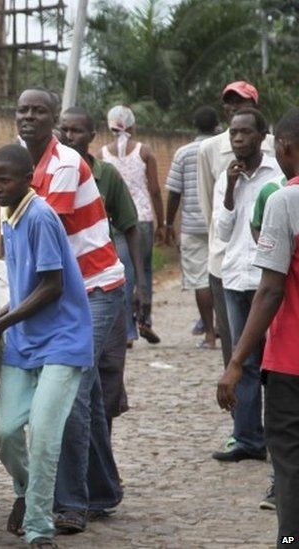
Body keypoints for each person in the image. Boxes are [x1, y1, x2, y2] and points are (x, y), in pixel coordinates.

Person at [15, 88, 126, 537]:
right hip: (66, 288)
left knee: (69, 392)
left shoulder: (60, 166)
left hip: (95, 287)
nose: (29, 117)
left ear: (54, 121)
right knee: (91, 396)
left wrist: (10, 309)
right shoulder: (22, 166)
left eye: (39, 111)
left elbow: (46, 240)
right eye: (22, 110)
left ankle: (71, 503)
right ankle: (102, 491)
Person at [0, 144, 92, 549]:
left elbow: (51, 285)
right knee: (7, 432)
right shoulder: (8, 216)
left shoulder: (40, 216)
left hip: (62, 340)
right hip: (24, 343)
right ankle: (26, 493)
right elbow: (21, 283)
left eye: (4, 179)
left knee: (43, 437)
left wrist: (1, 325)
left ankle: (40, 529)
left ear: (28, 179)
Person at [217, 106, 299, 548]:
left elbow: (270, 290)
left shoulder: (286, 199)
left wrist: (234, 362)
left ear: (283, 147)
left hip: (291, 361)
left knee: (289, 461)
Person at [59, 106, 145, 432]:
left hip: (102, 283)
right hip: (64, 286)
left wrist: (139, 284)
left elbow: (130, 226)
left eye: (76, 131)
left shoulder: (106, 176)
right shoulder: (47, 174)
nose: (69, 136)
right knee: (77, 371)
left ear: (92, 136)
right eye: (64, 130)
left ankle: (102, 456)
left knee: (107, 368)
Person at [212, 108, 282, 463]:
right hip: (235, 278)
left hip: (269, 280)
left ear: (262, 136)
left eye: (245, 132)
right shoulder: (228, 178)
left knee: (278, 364)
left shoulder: (279, 173)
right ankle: (247, 438)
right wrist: (229, 189)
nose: (238, 138)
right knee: (242, 359)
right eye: (233, 133)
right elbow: (222, 232)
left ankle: (282, 436)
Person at [197, 81, 276, 385]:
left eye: (243, 102)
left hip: (264, 265)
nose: (235, 107)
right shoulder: (210, 149)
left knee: (269, 349)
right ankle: (242, 425)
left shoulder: (274, 153)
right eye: (230, 102)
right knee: (235, 348)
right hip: (225, 260)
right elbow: (209, 205)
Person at [98, 105, 164, 344]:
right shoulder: (144, 151)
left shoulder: (102, 154)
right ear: (133, 126)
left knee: (123, 272)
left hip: (114, 219)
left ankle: (127, 329)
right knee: (143, 269)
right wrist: (163, 222)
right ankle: (145, 320)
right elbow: (155, 190)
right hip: (142, 217)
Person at [165, 106, 221, 349]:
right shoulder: (223, 148)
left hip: (192, 224)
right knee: (222, 276)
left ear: (195, 126)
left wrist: (168, 223)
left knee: (200, 280)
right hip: (220, 222)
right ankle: (224, 328)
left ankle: (209, 335)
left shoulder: (183, 153)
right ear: (216, 125)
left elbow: (174, 192)